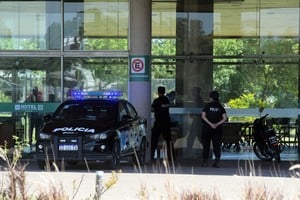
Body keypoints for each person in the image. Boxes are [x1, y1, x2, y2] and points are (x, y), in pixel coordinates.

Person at [201, 90, 227, 168]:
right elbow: (225, 118)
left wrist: (210, 124)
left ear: (211, 97)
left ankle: (205, 162)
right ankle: (217, 162)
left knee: (206, 145)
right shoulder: (220, 106)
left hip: (207, 128)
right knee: (216, 145)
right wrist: (216, 124)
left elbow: (203, 116)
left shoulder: (207, 106)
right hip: (217, 129)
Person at [151, 86, 174, 161]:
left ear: (158, 92)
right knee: (168, 140)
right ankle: (171, 156)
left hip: (158, 122)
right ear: (164, 92)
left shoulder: (156, 101)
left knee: (154, 139)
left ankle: (151, 155)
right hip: (166, 122)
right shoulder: (166, 100)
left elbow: (152, 109)